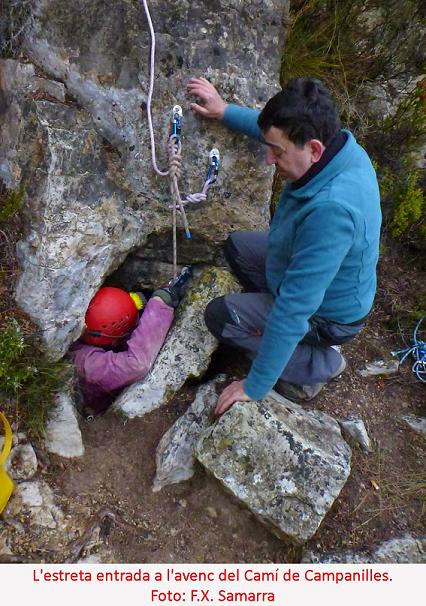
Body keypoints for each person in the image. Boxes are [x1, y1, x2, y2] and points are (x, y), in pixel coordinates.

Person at [187, 76, 381, 415]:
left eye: (277, 153)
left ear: (315, 149)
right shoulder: (339, 148)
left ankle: (319, 363)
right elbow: (280, 133)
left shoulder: (333, 211)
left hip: (328, 315)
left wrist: (255, 384)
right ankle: (274, 326)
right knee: (236, 246)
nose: (268, 160)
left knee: (221, 316)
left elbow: (294, 308)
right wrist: (224, 111)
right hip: (305, 267)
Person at [69, 274, 188, 417]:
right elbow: (136, 365)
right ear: (114, 340)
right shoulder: (87, 365)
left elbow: (112, 310)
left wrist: (149, 298)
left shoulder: (94, 331)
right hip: (97, 408)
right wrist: (159, 306)